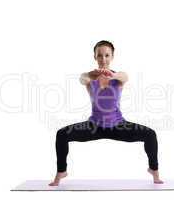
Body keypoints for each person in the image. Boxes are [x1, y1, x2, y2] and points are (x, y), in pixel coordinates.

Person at [49, 40, 164, 186]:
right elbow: (82, 78)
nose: (103, 59)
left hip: (118, 126)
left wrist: (112, 76)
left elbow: (125, 76)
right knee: (62, 134)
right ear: (95, 57)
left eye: (107, 55)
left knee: (150, 134)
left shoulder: (118, 78)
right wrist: (93, 74)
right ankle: (61, 172)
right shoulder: (90, 78)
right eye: (100, 55)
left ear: (112, 57)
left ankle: (154, 172)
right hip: (94, 126)